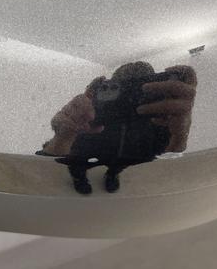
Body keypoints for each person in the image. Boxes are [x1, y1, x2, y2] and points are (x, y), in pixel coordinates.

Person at [39, 62, 197, 194]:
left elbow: (169, 174)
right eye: (122, 89)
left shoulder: (161, 121)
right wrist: (63, 136)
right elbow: (44, 176)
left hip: (136, 201)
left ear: (156, 91)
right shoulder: (90, 120)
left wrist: (180, 135)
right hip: (86, 205)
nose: (129, 98)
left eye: (139, 90)